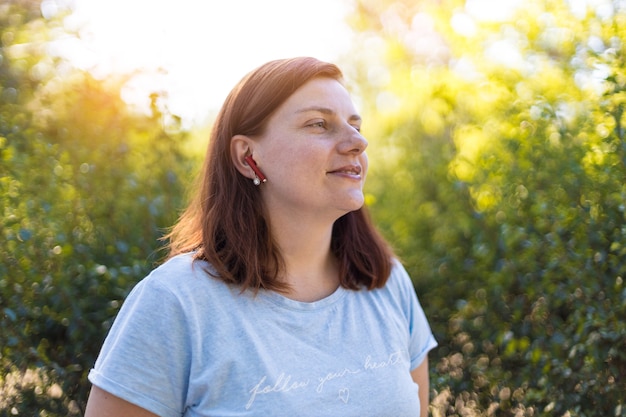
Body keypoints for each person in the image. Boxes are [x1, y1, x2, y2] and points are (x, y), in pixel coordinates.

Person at [84, 57, 437, 417]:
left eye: (355, 125)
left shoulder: (387, 282)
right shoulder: (175, 302)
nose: (357, 142)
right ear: (247, 155)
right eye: (319, 124)